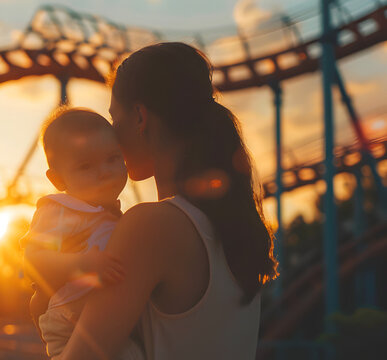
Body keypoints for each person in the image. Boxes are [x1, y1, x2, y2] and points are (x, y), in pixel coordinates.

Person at [55, 42, 278, 360]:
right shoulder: (236, 229)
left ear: (139, 117)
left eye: (113, 120)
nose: (111, 138)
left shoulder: (152, 226)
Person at [21, 108, 145, 359]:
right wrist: (82, 264)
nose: (105, 171)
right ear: (58, 180)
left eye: (112, 158)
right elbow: (34, 258)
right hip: (67, 316)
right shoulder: (61, 210)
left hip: (99, 315)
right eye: (86, 166)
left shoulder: (111, 214)